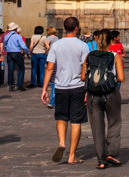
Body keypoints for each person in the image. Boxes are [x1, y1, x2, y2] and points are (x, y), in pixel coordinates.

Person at [41, 16, 89, 164]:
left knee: (61, 117)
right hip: (77, 87)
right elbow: (85, 68)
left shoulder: (56, 45)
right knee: (76, 121)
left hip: (60, 87)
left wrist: (44, 89)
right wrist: (87, 89)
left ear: (64, 28)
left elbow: (49, 68)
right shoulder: (83, 46)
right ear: (76, 28)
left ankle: (62, 142)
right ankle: (72, 156)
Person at [83, 30, 125, 169]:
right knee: (114, 122)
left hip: (93, 95)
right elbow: (121, 78)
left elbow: (83, 77)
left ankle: (101, 160)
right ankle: (111, 153)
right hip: (111, 94)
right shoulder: (115, 56)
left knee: (97, 127)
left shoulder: (89, 56)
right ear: (110, 42)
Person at [3, 21, 30, 91]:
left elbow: (4, 46)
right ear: (15, 29)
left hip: (9, 53)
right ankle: (19, 84)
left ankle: (11, 84)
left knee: (10, 69)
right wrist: (28, 52)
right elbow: (23, 46)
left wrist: (7, 49)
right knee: (21, 68)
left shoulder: (6, 36)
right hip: (17, 53)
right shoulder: (18, 36)